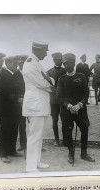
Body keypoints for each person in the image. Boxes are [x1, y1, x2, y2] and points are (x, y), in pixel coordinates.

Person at [22, 42, 54, 172]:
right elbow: (45, 84)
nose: (46, 54)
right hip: (35, 106)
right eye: (45, 51)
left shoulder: (36, 63)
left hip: (40, 105)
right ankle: (30, 166)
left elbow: (50, 80)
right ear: (37, 50)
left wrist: (49, 81)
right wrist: (49, 82)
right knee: (34, 136)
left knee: (39, 135)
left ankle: (36, 161)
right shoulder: (30, 64)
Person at [57, 53, 95, 164]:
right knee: (68, 132)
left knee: (85, 129)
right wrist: (69, 106)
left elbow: (86, 93)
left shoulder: (81, 76)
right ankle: (71, 154)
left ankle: (84, 153)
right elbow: (59, 96)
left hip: (80, 110)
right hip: (66, 111)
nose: (66, 66)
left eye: (68, 63)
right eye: (64, 64)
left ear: (73, 63)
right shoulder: (61, 79)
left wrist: (79, 104)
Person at [0, 56, 23, 163]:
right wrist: (17, 97)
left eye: (16, 63)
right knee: (5, 131)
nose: (16, 65)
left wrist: (21, 95)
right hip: (6, 108)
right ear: (7, 64)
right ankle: (3, 154)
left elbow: (22, 87)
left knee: (14, 129)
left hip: (16, 108)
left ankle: (12, 151)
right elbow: (3, 91)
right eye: (13, 63)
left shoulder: (18, 74)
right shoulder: (2, 75)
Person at [47, 52, 66, 146]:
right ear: (54, 60)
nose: (61, 61)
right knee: (54, 120)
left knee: (65, 120)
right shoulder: (49, 72)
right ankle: (56, 139)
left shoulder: (65, 71)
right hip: (53, 100)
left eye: (61, 59)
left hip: (63, 101)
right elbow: (47, 86)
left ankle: (65, 140)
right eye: (59, 59)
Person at [16, 55, 28, 152]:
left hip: (31, 101)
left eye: (23, 63)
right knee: (21, 124)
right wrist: (20, 97)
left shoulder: (30, 73)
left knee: (33, 123)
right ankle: (23, 144)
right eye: (20, 63)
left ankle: (36, 145)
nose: (21, 65)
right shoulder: (15, 74)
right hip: (20, 102)